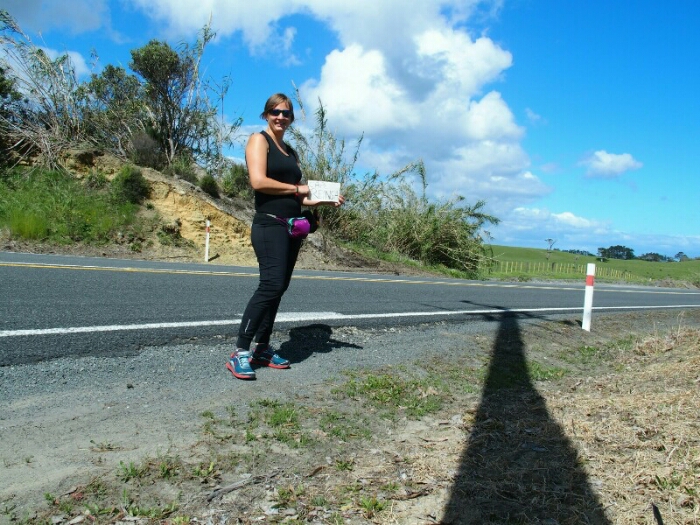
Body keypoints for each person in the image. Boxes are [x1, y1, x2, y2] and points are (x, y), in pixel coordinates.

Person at [227, 93, 345, 380]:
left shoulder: (290, 152)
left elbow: (301, 196)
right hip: (269, 225)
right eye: (275, 112)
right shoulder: (259, 140)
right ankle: (240, 351)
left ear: (291, 118)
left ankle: (262, 348)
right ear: (266, 114)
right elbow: (258, 181)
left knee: (279, 288)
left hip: (292, 227)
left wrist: (325, 200)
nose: (281, 117)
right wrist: (297, 189)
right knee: (270, 285)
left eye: (286, 113)